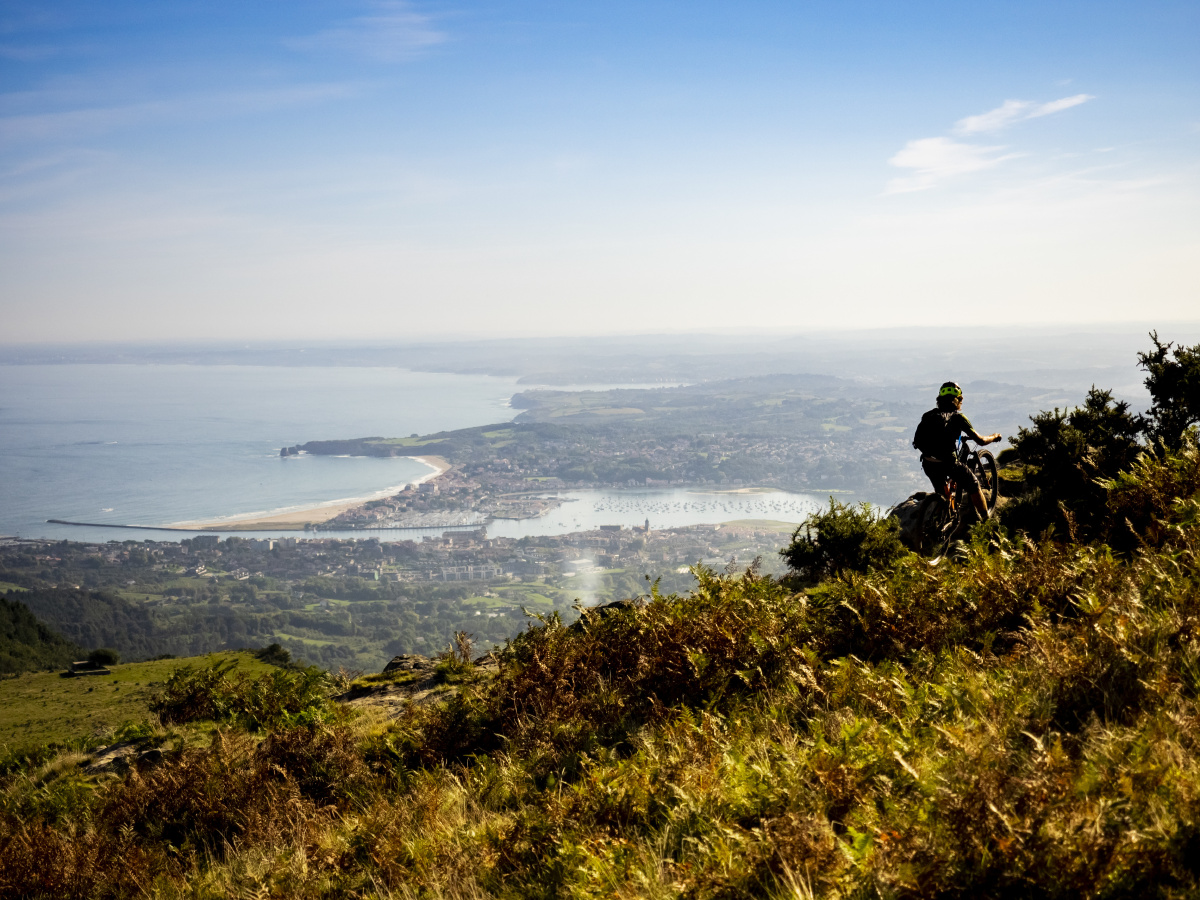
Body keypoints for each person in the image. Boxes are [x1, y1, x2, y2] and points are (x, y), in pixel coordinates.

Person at [913, 382, 1002, 521]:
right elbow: (981, 441)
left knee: (942, 494)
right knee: (973, 484)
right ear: (959, 400)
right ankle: (986, 519)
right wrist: (995, 436)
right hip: (948, 463)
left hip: (928, 462)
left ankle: (939, 520)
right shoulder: (958, 418)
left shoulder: (929, 415)